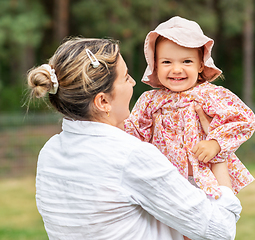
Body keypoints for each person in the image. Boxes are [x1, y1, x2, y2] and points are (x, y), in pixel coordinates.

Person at [26, 37, 242, 240]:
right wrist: (218, 150)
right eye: (126, 77)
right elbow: (220, 229)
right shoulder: (130, 156)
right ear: (103, 102)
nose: (133, 84)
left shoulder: (50, 151)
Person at [124, 16, 255, 200]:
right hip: (163, 180)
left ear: (201, 64)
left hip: (204, 177)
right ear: (155, 64)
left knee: (212, 221)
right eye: (166, 62)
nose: (176, 69)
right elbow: (132, 134)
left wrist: (216, 143)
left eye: (186, 61)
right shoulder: (149, 100)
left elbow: (245, 119)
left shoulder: (210, 95)